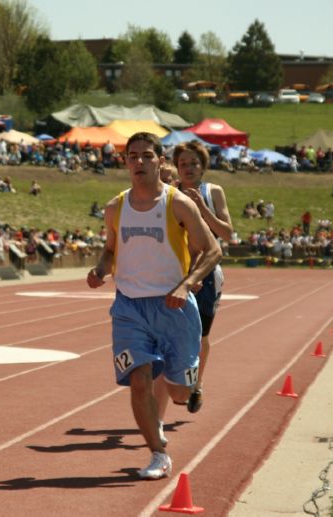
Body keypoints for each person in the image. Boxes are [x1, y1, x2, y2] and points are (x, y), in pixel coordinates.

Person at [86, 132, 221, 480]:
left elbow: (212, 250)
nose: (139, 162)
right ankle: (158, 455)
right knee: (139, 379)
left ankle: (188, 383)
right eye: (133, 156)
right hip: (129, 307)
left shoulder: (177, 203)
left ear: (160, 162)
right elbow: (111, 249)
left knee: (179, 393)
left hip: (174, 306)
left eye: (147, 156)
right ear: (125, 162)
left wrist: (187, 284)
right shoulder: (116, 207)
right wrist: (101, 269)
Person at [159, 141, 233, 418]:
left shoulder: (214, 192)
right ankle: (177, 384)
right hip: (174, 273)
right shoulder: (169, 194)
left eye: (194, 163)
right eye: (183, 164)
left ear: (203, 166)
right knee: (170, 333)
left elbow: (226, 233)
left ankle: (196, 384)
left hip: (207, 274)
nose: (188, 168)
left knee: (200, 334)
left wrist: (202, 207)